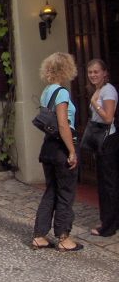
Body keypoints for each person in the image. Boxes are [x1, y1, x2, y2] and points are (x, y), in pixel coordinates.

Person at [32, 52, 82, 252]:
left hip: (48, 147)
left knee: (51, 191)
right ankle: (63, 237)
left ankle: (40, 235)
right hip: (62, 147)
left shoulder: (46, 91)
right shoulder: (61, 92)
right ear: (66, 69)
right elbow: (62, 124)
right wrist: (71, 151)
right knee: (66, 193)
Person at [84, 59, 118, 237]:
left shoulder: (108, 90)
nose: (93, 75)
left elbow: (108, 118)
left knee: (109, 183)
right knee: (104, 182)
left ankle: (109, 226)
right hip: (100, 140)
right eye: (90, 72)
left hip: (107, 140)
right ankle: (109, 220)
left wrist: (95, 103)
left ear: (105, 73)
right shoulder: (98, 90)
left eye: (96, 72)